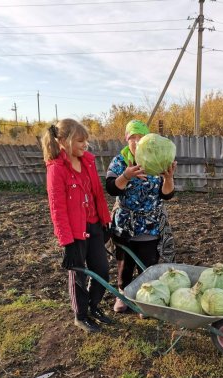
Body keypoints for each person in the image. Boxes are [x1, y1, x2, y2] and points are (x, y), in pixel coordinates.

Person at [42, 118, 112, 333]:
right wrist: (67, 242)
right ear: (63, 140)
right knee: (79, 276)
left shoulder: (87, 162)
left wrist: (105, 221)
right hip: (75, 233)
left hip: (94, 225)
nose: (85, 145)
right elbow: (57, 209)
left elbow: (97, 195)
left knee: (101, 270)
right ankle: (80, 315)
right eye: (80, 141)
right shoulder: (57, 169)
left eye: (86, 141)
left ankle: (93, 306)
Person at [105, 119, 177, 313]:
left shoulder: (155, 159)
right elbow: (111, 188)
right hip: (125, 223)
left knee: (148, 265)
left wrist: (168, 178)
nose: (137, 142)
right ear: (127, 139)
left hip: (150, 223)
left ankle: (146, 300)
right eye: (133, 137)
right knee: (124, 264)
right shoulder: (121, 161)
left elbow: (167, 194)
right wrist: (126, 175)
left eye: (141, 137)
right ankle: (124, 296)